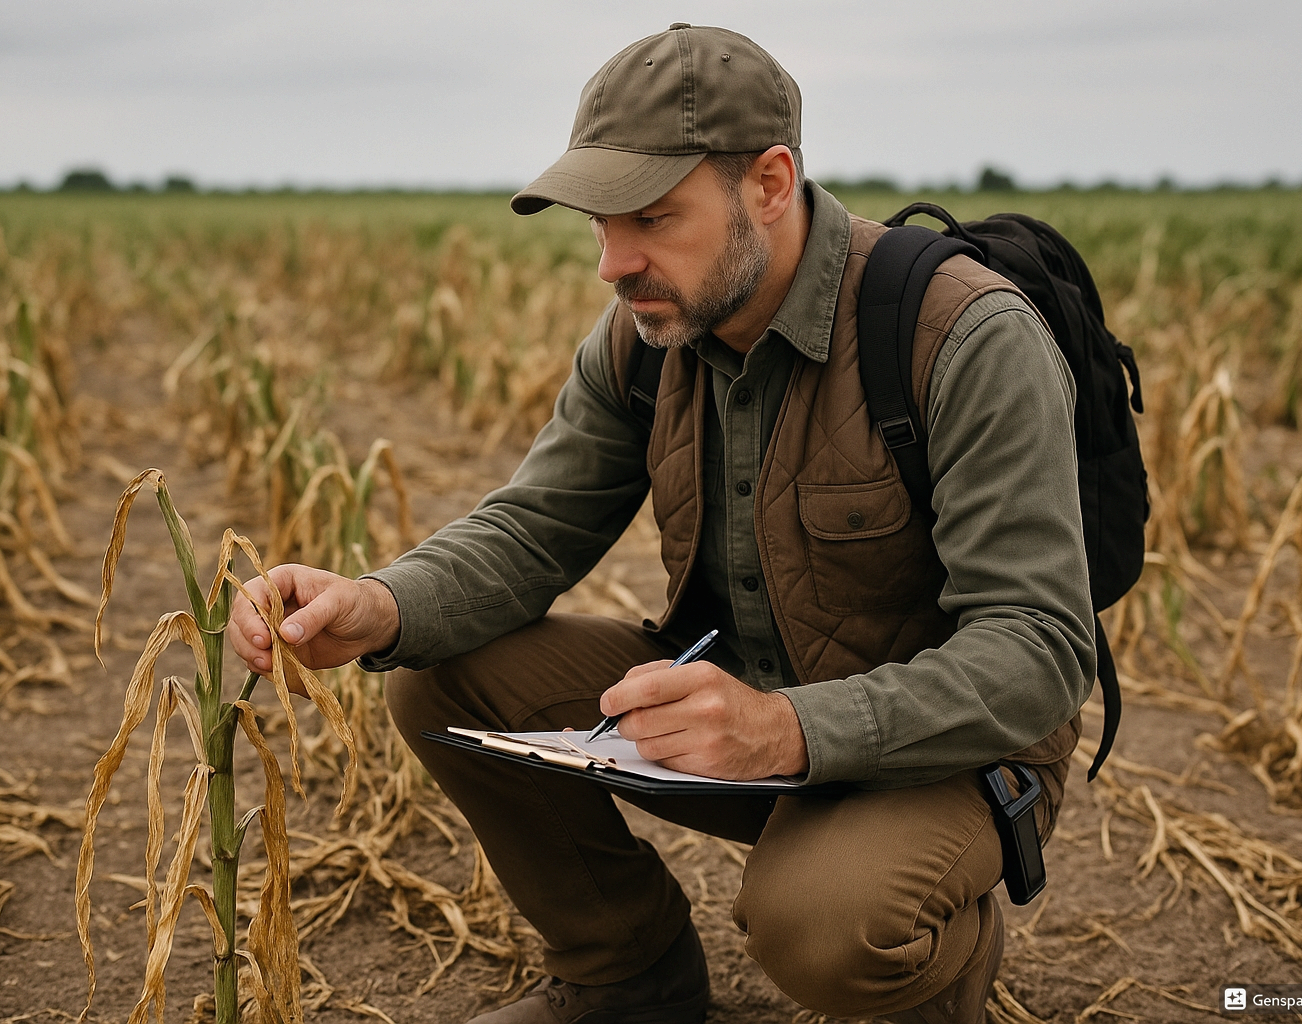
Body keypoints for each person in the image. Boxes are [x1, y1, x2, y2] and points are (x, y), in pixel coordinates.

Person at [230, 23, 1094, 1024]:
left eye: (649, 215)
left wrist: (785, 729)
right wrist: (377, 603)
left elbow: (1037, 652)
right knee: (438, 667)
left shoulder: (964, 336)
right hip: (741, 700)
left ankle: (943, 967)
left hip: (944, 747)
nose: (612, 261)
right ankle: (628, 974)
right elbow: (534, 527)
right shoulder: (648, 336)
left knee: (821, 923)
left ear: (770, 185)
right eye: (597, 220)